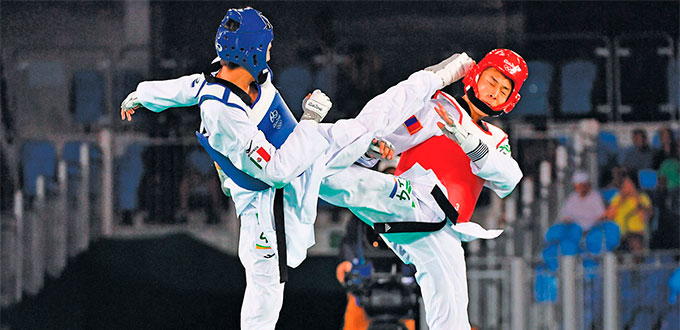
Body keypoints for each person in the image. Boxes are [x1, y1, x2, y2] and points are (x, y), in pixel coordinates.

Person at [124, 43, 526, 329]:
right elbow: (386, 131)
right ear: (477, 75)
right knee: (345, 168)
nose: (494, 90)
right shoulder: (439, 107)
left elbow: (508, 179)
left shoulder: (493, 139)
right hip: (412, 202)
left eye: (503, 89)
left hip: (442, 231)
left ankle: (291, 158)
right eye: (492, 80)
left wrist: (470, 143)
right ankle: (281, 160)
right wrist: (373, 148)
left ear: (510, 100)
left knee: (453, 317)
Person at [604, 172, 652, 252]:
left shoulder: (642, 197)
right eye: (625, 185)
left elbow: (644, 217)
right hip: (619, 233)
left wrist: (636, 199)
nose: (627, 187)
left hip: (636, 232)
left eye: (629, 184)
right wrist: (620, 201)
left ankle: (637, 262)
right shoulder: (617, 198)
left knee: (633, 241)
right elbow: (609, 216)